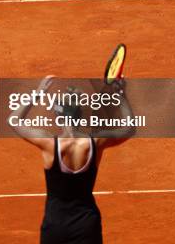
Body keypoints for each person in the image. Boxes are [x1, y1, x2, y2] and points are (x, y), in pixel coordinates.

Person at [9, 76, 136, 244]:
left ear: (59, 116)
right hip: (87, 225)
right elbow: (129, 128)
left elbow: (13, 120)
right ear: (80, 115)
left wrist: (37, 94)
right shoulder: (96, 143)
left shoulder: (49, 144)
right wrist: (120, 95)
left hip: (55, 226)